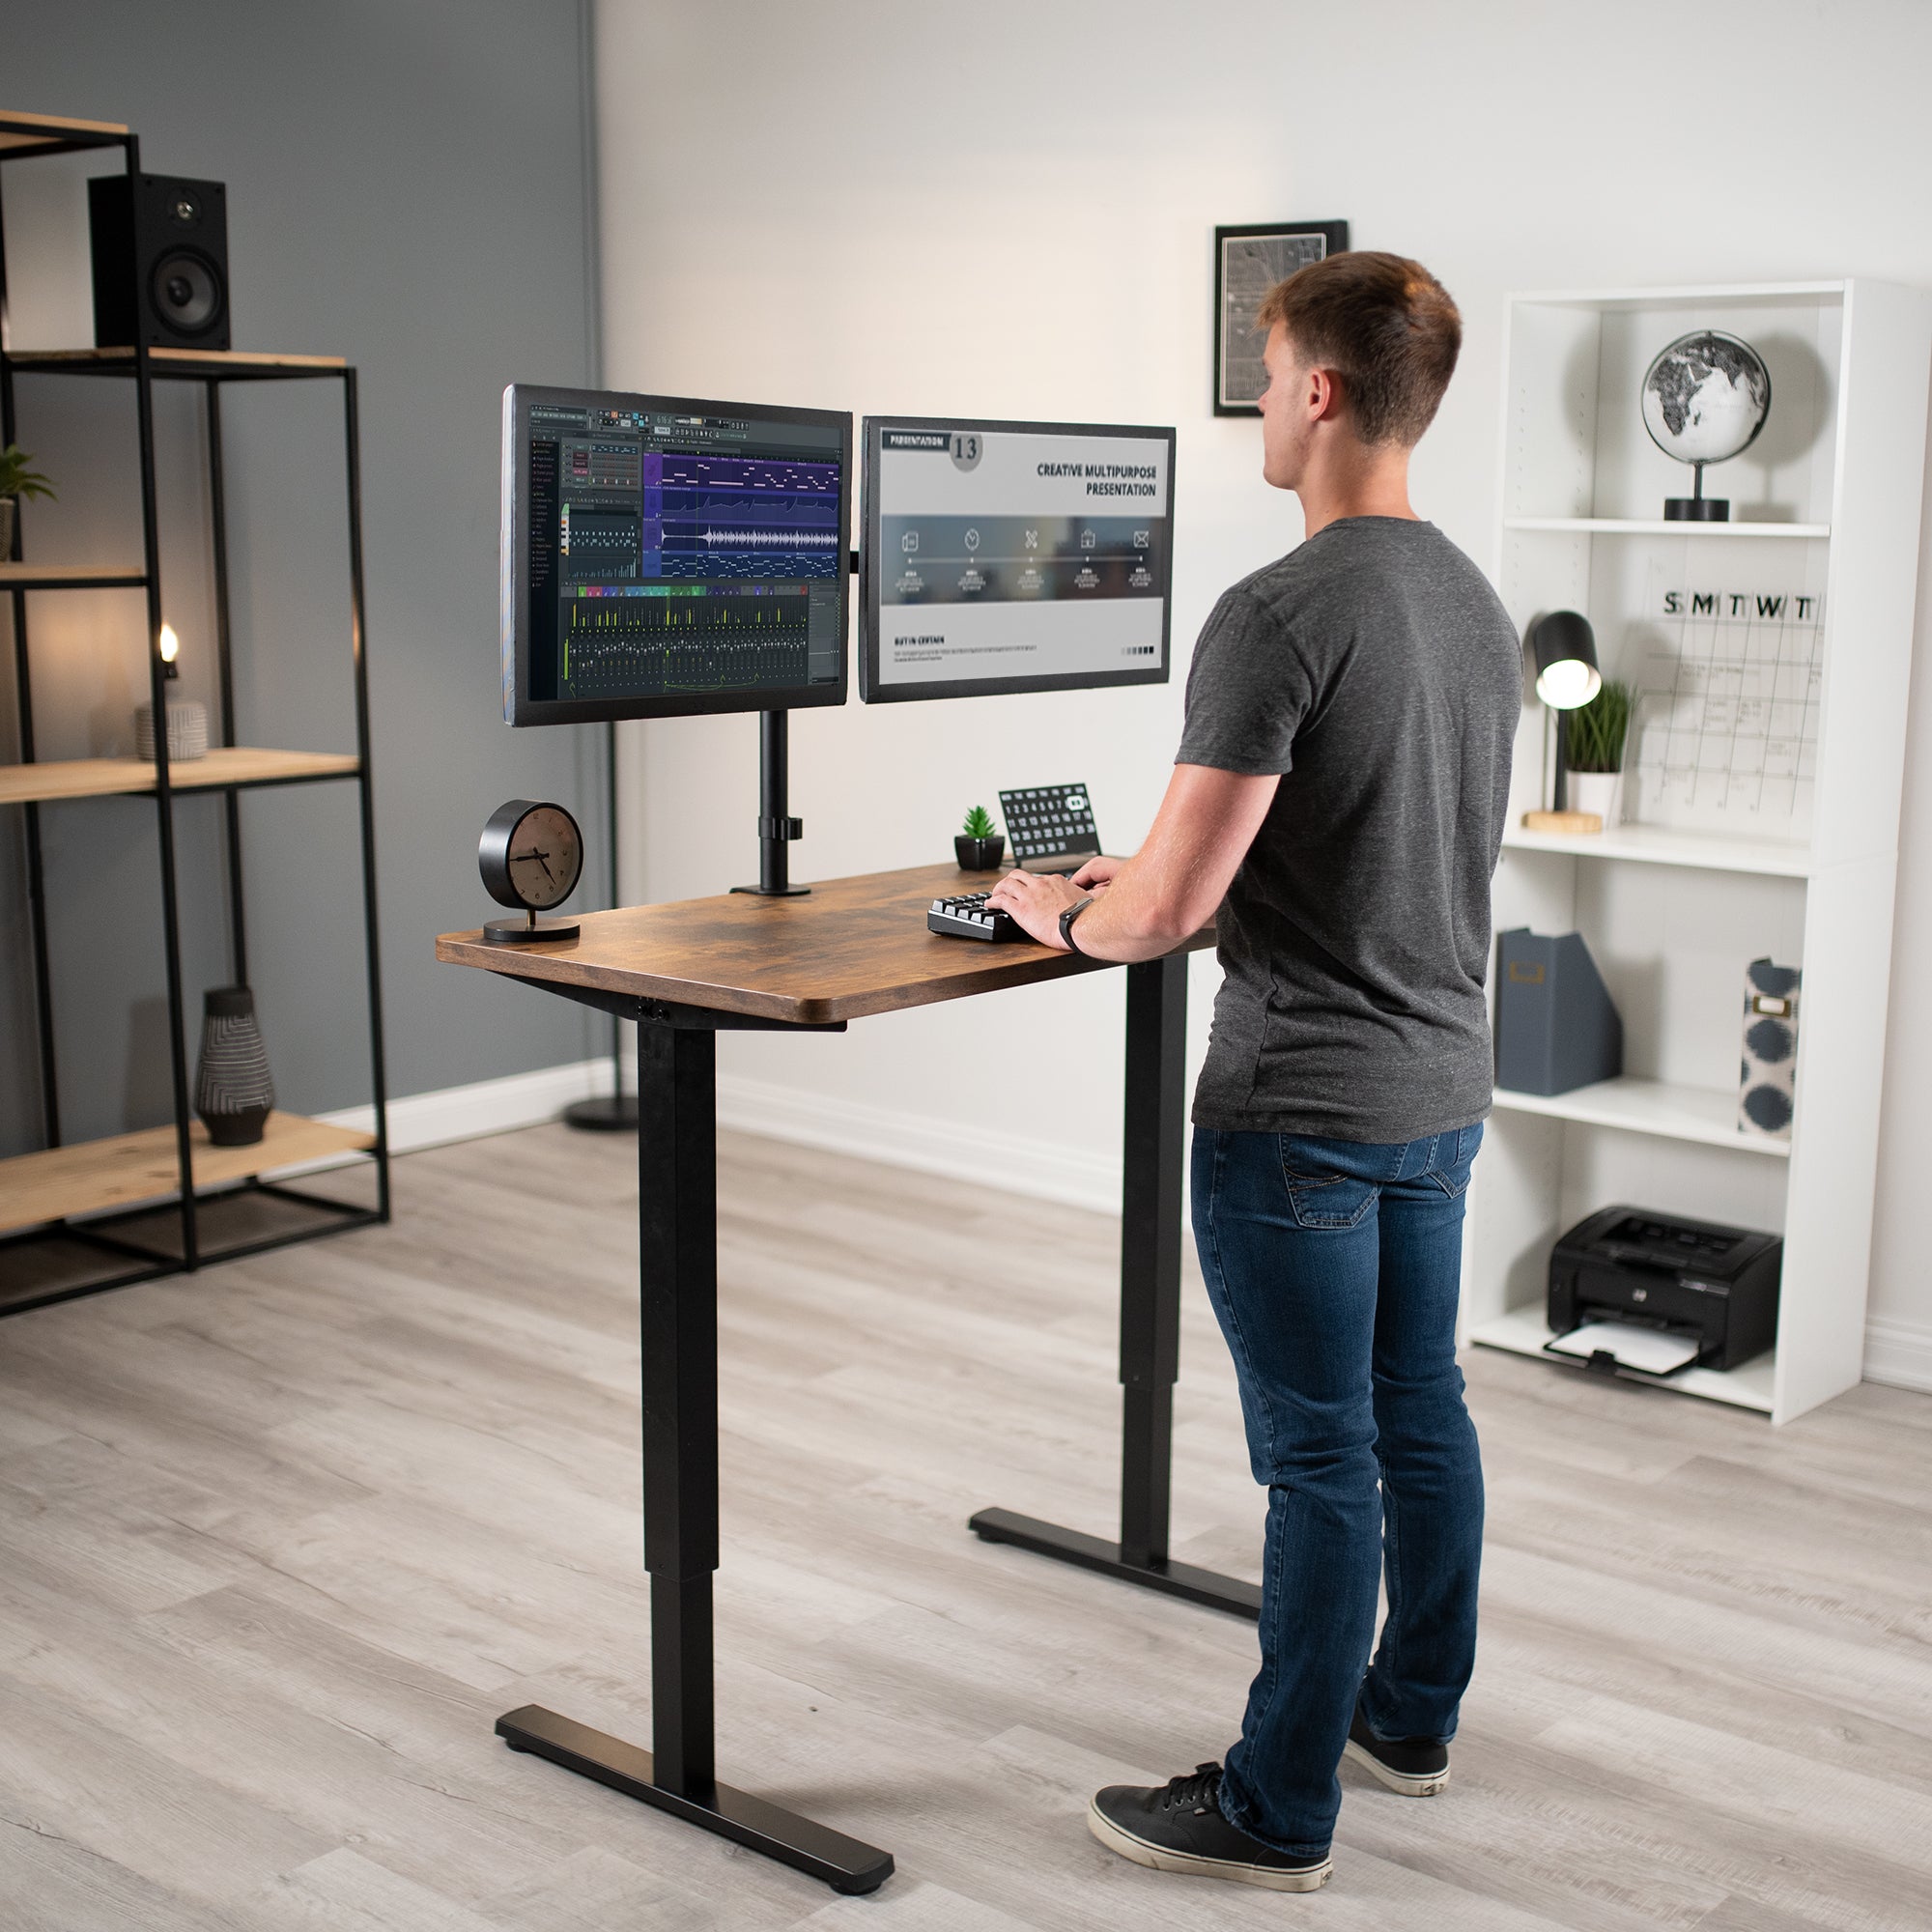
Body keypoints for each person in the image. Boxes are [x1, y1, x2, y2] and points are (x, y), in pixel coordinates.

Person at [987, 251, 1520, 1892]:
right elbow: (1331, 830)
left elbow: (1165, 913)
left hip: (1298, 1109)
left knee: (1316, 1461)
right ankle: (1408, 1719)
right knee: (1413, 1408)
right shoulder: (1468, 601)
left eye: (1266, 368)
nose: (1256, 401)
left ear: (1321, 393)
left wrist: (1049, 915)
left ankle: (1277, 1809)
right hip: (1437, 1093)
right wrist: (1131, 883)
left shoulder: (1278, 610)